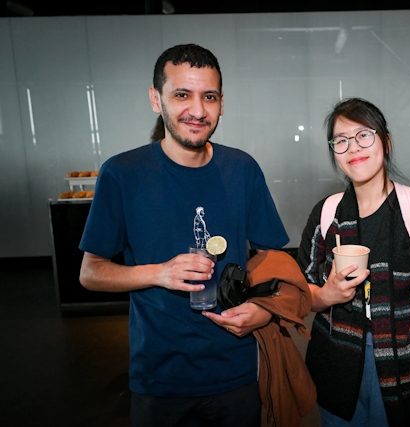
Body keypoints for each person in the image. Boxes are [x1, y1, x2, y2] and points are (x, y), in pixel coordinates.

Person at [78, 44, 289, 426]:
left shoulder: (242, 169)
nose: (197, 110)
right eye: (181, 95)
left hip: (237, 370)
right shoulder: (122, 173)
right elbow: (90, 272)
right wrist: (158, 273)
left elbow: (272, 259)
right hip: (160, 378)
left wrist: (264, 310)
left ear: (222, 102)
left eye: (209, 96)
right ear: (156, 99)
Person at [297, 98, 410, 427]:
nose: (353, 148)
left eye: (364, 135)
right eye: (341, 140)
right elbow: (302, 291)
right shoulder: (327, 215)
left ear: (386, 142)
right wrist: (326, 295)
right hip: (337, 364)